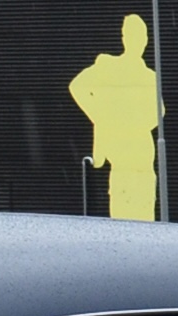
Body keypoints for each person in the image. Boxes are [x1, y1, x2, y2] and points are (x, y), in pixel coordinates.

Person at [68, 15, 159, 222]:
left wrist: (135, 121)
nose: (137, 42)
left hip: (143, 153)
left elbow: (158, 112)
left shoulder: (149, 76)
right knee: (122, 210)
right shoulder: (109, 66)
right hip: (120, 153)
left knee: (145, 213)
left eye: (141, 37)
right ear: (124, 38)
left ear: (146, 40)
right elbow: (77, 86)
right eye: (132, 36)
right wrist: (101, 115)